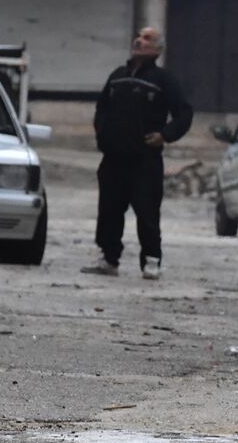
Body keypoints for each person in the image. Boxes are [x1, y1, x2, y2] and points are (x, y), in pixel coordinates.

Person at [82, 27, 193, 280]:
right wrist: (102, 134)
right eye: (139, 36)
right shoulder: (118, 76)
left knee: (147, 213)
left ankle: (151, 261)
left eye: (147, 39)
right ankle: (109, 259)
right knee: (109, 211)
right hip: (112, 159)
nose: (139, 40)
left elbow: (184, 114)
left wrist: (164, 135)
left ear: (158, 50)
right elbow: (101, 109)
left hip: (145, 161)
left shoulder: (164, 80)